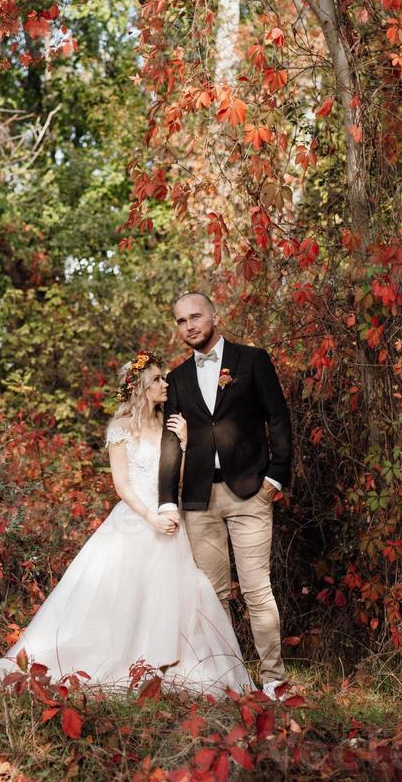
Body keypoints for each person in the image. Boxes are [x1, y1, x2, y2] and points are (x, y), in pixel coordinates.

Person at [0, 351, 251, 695]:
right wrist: (152, 517)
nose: (166, 384)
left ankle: (166, 663)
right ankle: (120, 663)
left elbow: (176, 479)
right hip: (137, 520)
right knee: (121, 595)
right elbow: (121, 485)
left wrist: (184, 442)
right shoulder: (120, 428)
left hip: (169, 518)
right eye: (157, 380)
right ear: (140, 388)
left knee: (173, 595)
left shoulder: (169, 424)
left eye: (165, 378)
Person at [158, 292, 292, 701]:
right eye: (181, 321)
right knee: (213, 596)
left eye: (195, 316)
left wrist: (276, 478)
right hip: (199, 499)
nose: (189, 326)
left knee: (256, 591)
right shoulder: (178, 378)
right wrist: (167, 498)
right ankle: (228, 680)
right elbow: (170, 441)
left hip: (250, 492)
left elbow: (278, 418)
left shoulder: (252, 360)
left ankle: (274, 680)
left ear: (215, 315)